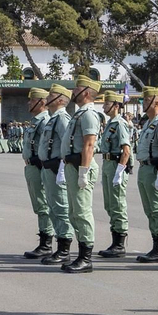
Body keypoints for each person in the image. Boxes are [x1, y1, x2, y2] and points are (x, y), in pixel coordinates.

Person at [61, 77, 102, 273]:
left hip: (81, 166)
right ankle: (81, 254)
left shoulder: (89, 115)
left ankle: (86, 257)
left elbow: (89, 144)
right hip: (73, 165)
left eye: (76, 89)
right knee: (74, 213)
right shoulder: (79, 114)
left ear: (86, 92)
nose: (73, 91)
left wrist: (84, 172)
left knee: (82, 212)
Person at [37, 85, 74, 267]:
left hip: (56, 168)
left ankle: (64, 249)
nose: (46, 98)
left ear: (60, 99)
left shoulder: (62, 118)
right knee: (52, 207)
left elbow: (67, 144)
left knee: (61, 207)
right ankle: (60, 246)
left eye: (50, 95)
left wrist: (62, 168)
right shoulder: (53, 118)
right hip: (47, 168)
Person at [133, 88, 158, 263]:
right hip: (144, 168)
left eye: (146, 100)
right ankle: (156, 243)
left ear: (156, 102)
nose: (143, 103)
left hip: (155, 170)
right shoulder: (149, 123)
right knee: (150, 210)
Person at [19, 88, 55, 259]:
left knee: (43, 205)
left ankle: (46, 243)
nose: (29, 103)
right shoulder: (36, 120)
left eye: (32, 100)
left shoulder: (45, 121)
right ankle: (44, 239)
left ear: (41, 102)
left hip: (38, 166)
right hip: (31, 166)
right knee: (39, 204)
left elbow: (46, 147)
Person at [97, 89, 131, 258]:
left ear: (116, 106)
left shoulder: (120, 124)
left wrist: (120, 171)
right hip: (107, 164)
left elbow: (126, 150)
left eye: (107, 103)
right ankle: (115, 240)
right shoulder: (110, 123)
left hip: (116, 165)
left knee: (117, 204)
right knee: (109, 204)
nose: (104, 106)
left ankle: (119, 244)